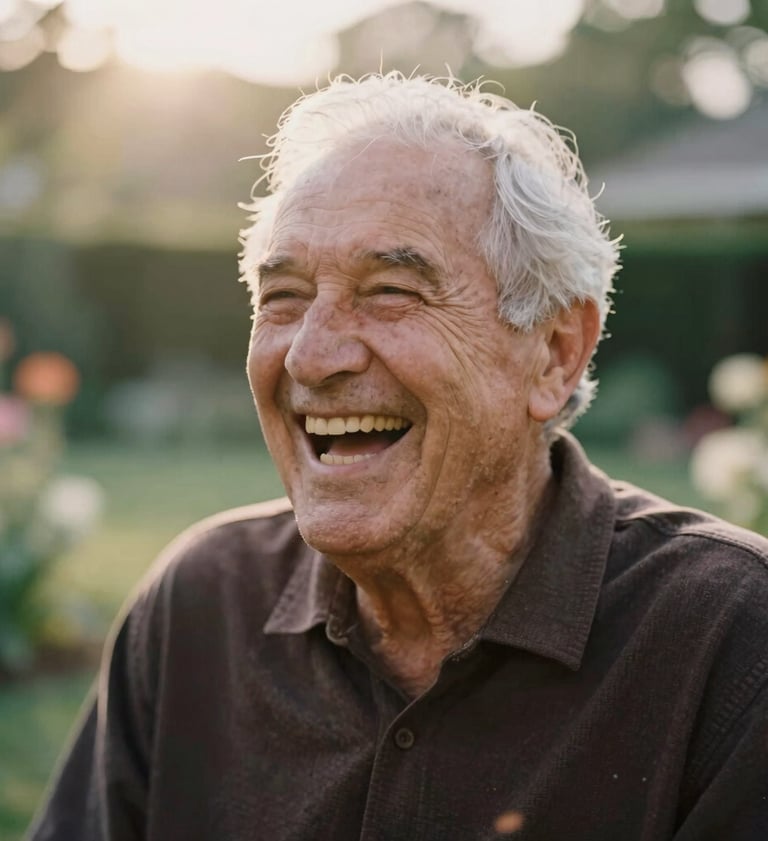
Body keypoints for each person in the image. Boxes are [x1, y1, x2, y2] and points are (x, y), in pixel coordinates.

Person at [29, 73, 768, 841]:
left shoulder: (733, 641)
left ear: (553, 354)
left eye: (388, 291)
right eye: (282, 297)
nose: (311, 356)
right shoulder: (200, 603)